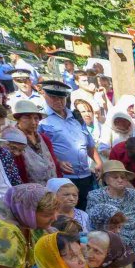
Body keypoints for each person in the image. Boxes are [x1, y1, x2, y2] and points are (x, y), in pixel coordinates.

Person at [39, 79, 102, 210]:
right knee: (65, 212)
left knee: (86, 210)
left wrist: (99, 162)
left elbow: (89, 144)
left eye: (61, 97)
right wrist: (57, 162)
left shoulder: (76, 117)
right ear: (44, 95)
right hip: (63, 178)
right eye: (53, 97)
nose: (58, 101)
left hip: (85, 175)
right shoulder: (41, 119)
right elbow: (39, 150)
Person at [87, 159, 135, 256]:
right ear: (106, 179)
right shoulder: (96, 196)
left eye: (123, 177)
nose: (120, 180)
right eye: (115, 177)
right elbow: (94, 225)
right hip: (110, 250)